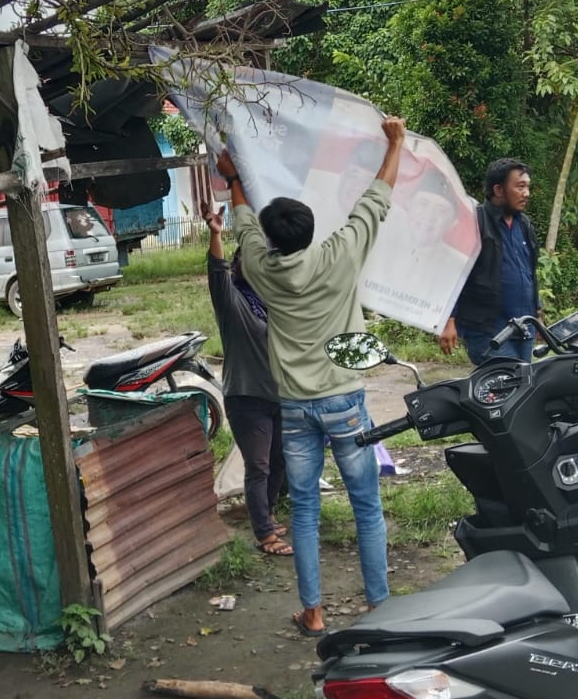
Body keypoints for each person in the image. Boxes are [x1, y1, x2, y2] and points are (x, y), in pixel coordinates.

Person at [218, 115, 406, 637]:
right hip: (345, 400)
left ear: (274, 239)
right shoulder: (341, 254)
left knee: (302, 511)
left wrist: (234, 178)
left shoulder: (259, 266)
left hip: (295, 407)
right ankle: (378, 606)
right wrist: (396, 142)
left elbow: (243, 224)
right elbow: (377, 197)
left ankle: (314, 612)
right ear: (310, 229)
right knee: (366, 504)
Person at [204, 207, 289, 556]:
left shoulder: (273, 300)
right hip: (247, 397)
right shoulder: (233, 301)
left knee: (280, 460)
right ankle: (264, 534)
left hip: (280, 395)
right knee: (259, 466)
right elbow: (216, 273)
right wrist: (216, 234)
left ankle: (267, 513)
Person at [439, 158, 541, 365]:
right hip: (487, 330)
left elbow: (530, 272)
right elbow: (452, 272)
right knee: (508, 384)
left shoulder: (524, 225)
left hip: (524, 328)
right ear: (499, 190)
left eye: (528, 187)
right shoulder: (473, 222)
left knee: (522, 389)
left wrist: (537, 314)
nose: (526, 194)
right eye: (520, 187)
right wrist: (448, 320)